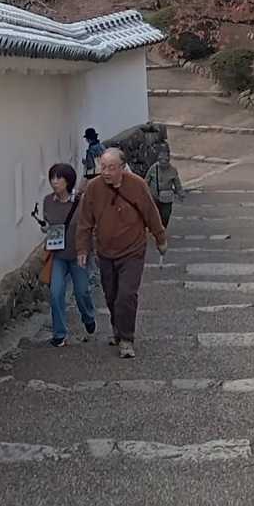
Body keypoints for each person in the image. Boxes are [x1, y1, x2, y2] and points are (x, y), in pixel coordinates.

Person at [76, 147, 168, 358]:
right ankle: (118, 329)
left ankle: (126, 339)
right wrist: (82, 248)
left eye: (111, 168)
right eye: (103, 167)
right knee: (111, 295)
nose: (106, 172)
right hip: (105, 251)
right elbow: (85, 221)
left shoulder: (137, 185)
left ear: (122, 167)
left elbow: (151, 213)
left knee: (126, 294)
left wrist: (160, 238)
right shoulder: (94, 188)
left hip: (132, 250)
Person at [32, 163, 96, 347]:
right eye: (52, 178)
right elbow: (50, 225)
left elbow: (88, 225)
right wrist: (45, 227)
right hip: (58, 255)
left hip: (78, 254)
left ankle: (88, 316)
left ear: (68, 180)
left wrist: (86, 250)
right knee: (56, 293)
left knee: (82, 292)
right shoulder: (48, 201)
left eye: (58, 178)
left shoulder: (80, 202)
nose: (54, 182)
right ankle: (59, 333)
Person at [145, 143, 184, 226]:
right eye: (161, 161)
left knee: (165, 216)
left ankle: (162, 228)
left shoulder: (173, 170)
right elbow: (146, 181)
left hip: (167, 198)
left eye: (165, 161)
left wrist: (180, 193)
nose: (163, 163)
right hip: (154, 197)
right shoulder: (153, 168)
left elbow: (177, 183)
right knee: (154, 216)